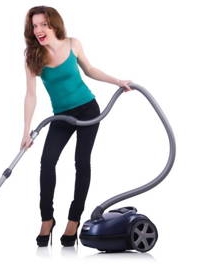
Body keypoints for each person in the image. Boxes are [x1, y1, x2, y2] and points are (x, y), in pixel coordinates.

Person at [21, 6, 131, 247]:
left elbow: (90, 70)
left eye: (43, 24)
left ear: (54, 24)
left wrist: (118, 81)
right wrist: (26, 130)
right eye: (35, 26)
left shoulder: (72, 44)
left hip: (88, 110)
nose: (38, 30)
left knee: (81, 162)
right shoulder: (32, 55)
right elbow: (31, 95)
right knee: (47, 162)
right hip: (61, 115)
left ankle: (74, 220)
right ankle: (47, 219)